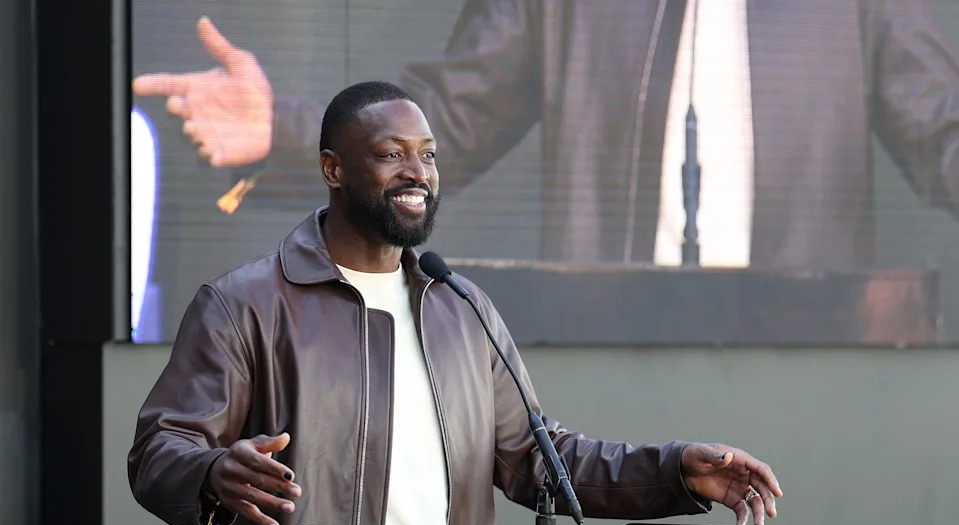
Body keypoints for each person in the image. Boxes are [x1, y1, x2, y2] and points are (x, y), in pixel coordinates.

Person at [128, 81, 783, 525]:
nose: (417, 171)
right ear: (333, 168)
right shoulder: (246, 303)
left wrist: (672, 471)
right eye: (391, 154)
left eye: (429, 155)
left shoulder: (459, 306)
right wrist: (215, 474)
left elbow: (534, 457)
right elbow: (160, 448)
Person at [132, 0, 959, 268]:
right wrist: (282, 129)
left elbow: (942, 135)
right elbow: (447, 117)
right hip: (607, 360)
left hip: (811, 358)